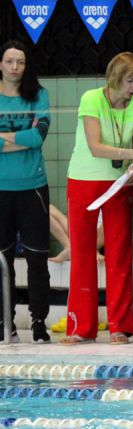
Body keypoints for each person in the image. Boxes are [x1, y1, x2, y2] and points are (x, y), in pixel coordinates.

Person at [60, 52, 133, 345]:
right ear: (114, 78)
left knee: (119, 254)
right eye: (130, 81)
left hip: (119, 184)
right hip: (83, 180)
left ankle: (120, 326)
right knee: (82, 253)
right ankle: (81, 327)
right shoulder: (91, 99)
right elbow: (95, 147)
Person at [0, 40, 51, 344]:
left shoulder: (38, 95)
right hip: (1, 189)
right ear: (0, 64)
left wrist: (3, 138)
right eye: (9, 61)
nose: (14, 67)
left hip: (33, 187)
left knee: (37, 259)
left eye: (20, 62)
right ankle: (6, 323)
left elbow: (38, 137)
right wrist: (22, 137)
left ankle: (39, 322)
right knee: (2, 260)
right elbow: (29, 137)